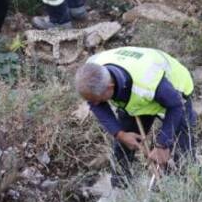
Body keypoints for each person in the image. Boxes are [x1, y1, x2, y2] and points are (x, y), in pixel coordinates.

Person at [75, 47, 195, 186]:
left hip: (176, 94)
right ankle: (120, 188)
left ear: (110, 87)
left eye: (97, 99)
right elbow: (95, 104)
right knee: (124, 143)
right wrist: (120, 134)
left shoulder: (146, 81)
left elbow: (176, 105)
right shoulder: (92, 67)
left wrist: (163, 144)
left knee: (182, 147)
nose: (94, 104)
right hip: (136, 96)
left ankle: (186, 185)